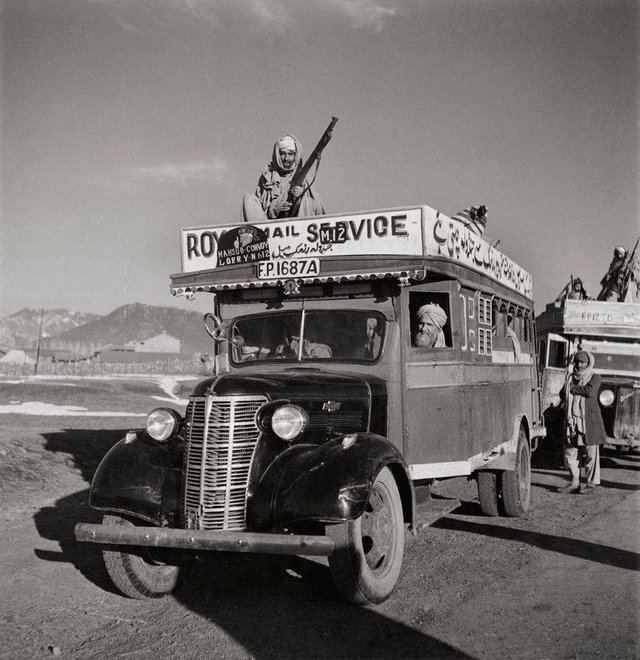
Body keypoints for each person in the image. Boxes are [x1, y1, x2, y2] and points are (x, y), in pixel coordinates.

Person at [242, 135, 325, 223]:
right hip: (270, 223)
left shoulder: (304, 177)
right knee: (248, 198)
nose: (286, 158)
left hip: (296, 221)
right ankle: (260, 233)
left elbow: (319, 209)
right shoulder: (267, 177)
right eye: (283, 154)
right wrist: (277, 207)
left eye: (290, 154)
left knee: (307, 201)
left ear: (296, 156)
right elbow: (261, 207)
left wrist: (302, 195)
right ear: (278, 155)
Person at [557, 350, 606, 494]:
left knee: (591, 454)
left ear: (588, 363)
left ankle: (591, 484)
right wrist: (569, 387)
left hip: (588, 423)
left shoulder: (595, 377)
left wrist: (571, 388)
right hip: (572, 422)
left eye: (582, 362)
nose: (579, 365)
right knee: (571, 453)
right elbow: (562, 394)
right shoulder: (570, 378)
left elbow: (589, 391)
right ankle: (574, 483)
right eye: (577, 362)